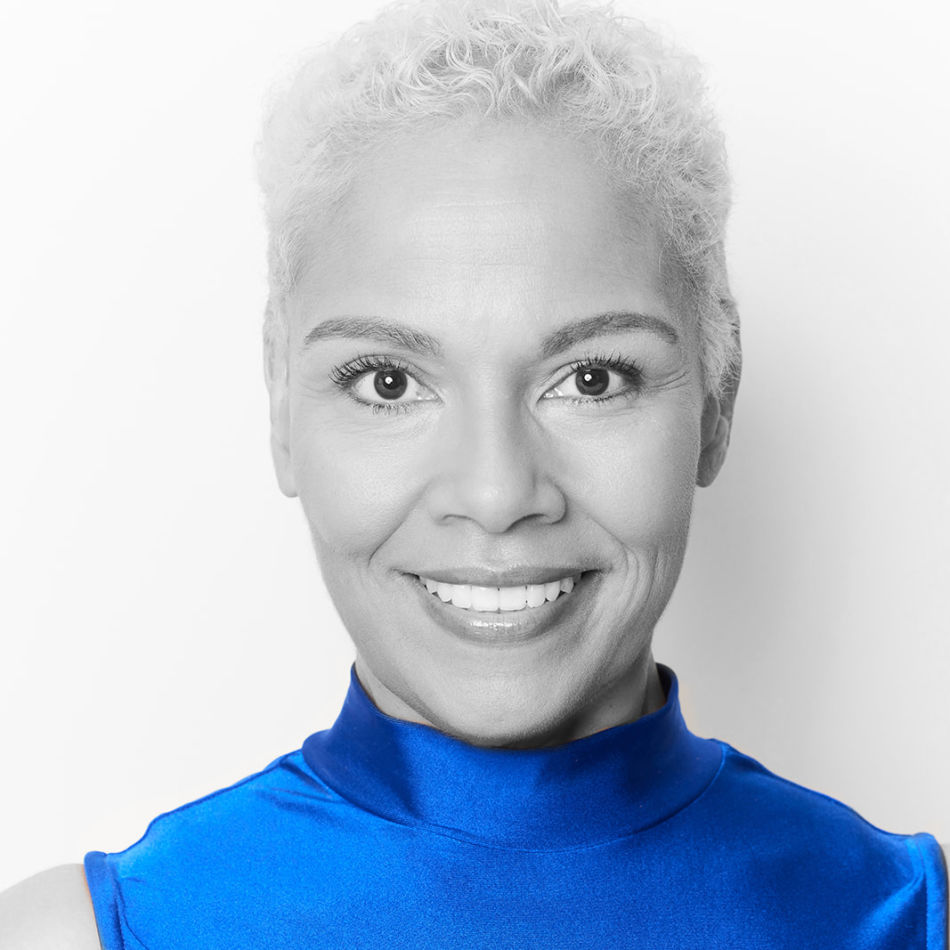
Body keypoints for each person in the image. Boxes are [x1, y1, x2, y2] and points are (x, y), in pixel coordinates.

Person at [1, 0, 946, 946]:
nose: (496, 495)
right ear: (281, 407)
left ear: (717, 396)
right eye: (388, 382)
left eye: (591, 379)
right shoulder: (85, 933)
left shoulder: (905, 918)